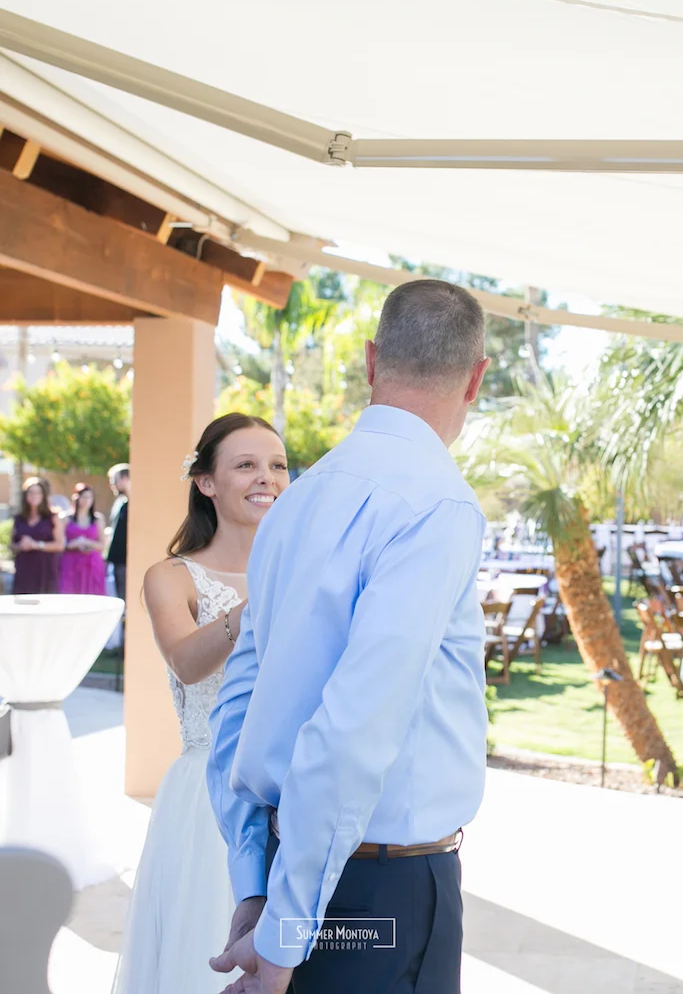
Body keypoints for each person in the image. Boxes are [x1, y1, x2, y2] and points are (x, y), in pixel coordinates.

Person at [208, 279, 490, 994]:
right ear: (476, 379)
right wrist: (284, 937)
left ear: (370, 360)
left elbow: (238, 700)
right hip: (386, 888)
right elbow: (355, 727)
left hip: (290, 867)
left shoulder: (297, 500)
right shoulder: (438, 505)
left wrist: (257, 885)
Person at [112, 413, 289, 994]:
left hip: (294, 792)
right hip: (209, 794)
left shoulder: (303, 570)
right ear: (206, 482)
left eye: (277, 465)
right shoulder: (172, 576)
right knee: (203, 953)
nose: (266, 478)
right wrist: (254, 607)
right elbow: (187, 662)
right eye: (246, 465)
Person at [11, 476, 65, 594]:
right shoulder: (19, 518)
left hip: (45, 571)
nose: (34, 495)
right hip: (24, 571)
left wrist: (36, 544)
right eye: (30, 492)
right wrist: (21, 546)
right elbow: (12, 545)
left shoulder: (53, 517)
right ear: (25, 495)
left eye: (37, 492)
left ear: (43, 495)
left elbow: (60, 545)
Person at [59, 484, 107, 595]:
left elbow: (102, 545)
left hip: (92, 565)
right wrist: (75, 544)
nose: (86, 500)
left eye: (89, 497)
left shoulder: (98, 519)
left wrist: (86, 542)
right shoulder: (66, 518)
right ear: (77, 498)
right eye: (84, 497)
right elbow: (61, 543)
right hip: (71, 563)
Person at [107, 463, 130, 602]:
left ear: (125, 479)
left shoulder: (135, 503)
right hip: (116, 560)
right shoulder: (120, 503)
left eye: (114, 480)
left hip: (126, 560)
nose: (112, 485)